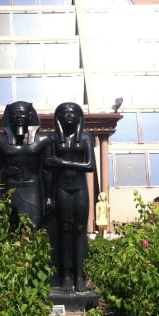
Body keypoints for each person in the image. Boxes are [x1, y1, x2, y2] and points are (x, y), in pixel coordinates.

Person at [45, 102, 96, 292]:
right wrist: (48, 196)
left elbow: (90, 165)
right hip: (62, 189)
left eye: (72, 112)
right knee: (65, 230)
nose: (68, 115)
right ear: (58, 117)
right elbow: (48, 170)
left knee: (80, 231)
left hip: (80, 189)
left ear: (78, 116)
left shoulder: (86, 137)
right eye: (64, 112)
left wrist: (62, 162)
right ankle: (66, 275)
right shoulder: (52, 139)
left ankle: (80, 275)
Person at [0, 101, 48, 231]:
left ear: (30, 115)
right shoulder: (0, 141)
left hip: (33, 188)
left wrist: (48, 196)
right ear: (9, 116)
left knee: (33, 227)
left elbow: (47, 171)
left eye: (22, 113)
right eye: (15, 113)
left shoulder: (43, 140)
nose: (19, 116)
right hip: (11, 188)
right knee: (12, 229)